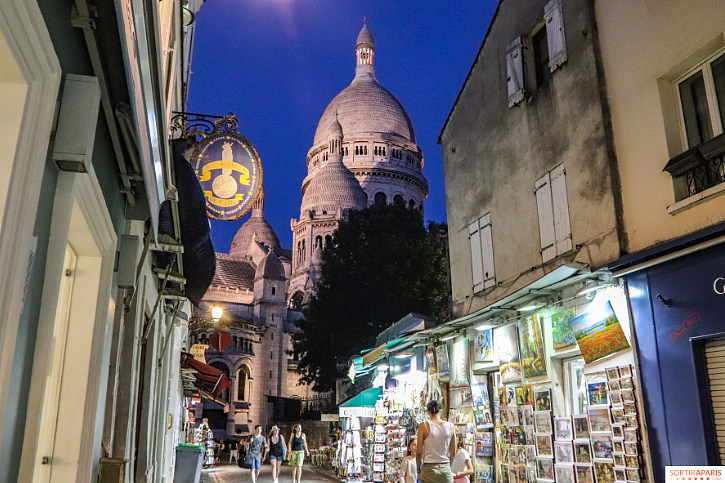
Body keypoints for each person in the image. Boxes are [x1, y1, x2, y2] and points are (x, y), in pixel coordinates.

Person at [417, 400, 455, 483]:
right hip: (445, 468)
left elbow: (419, 452)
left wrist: (418, 469)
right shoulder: (450, 426)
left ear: (428, 412)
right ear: (441, 410)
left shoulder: (423, 426)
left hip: (429, 469)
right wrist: (448, 466)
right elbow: (453, 452)